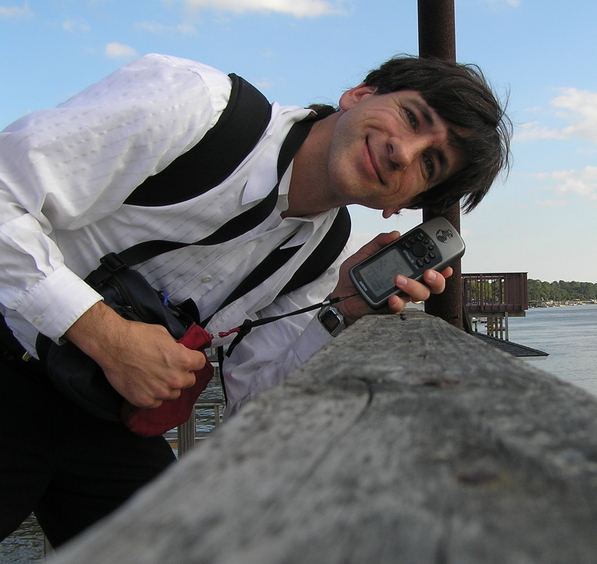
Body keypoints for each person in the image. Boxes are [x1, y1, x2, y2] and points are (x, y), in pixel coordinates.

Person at [0, 53, 510, 547]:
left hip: (100, 412)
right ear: (358, 95)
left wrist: (340, 310)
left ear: (401, 204)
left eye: (430, 164)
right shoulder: (193, 104)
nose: (405, 151)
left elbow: (251, 400)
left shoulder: (323, 254)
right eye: (411, 117)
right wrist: (107, 336)